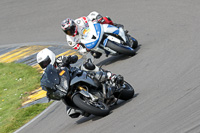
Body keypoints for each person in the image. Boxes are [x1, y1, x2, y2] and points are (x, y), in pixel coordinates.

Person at [36, 48, 124, 118]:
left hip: (77, 75)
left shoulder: (60, 60)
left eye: (46, 62)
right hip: (66, 88)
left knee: (87, 66)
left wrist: (69, 59)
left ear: (51, 57)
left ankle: (110, 76)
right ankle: (89, 105)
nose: (45, 65)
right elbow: (49, 84)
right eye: (42, 64)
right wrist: (49, 91)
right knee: (71, 112)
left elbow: (75, 58)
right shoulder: (46, 75)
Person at [61, 11, 125, 59]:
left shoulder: (80, 21)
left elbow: (91, 15)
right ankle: (109, 50)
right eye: (67, 32)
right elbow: (79, 49)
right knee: (96, 55)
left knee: (105, 19)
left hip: (95, 31)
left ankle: (115, 26)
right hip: (90, 42)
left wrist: (98, 18)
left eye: (71, 29)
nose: (70, 32)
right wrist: (85, 50)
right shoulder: (70, 40)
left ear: (74, 25)